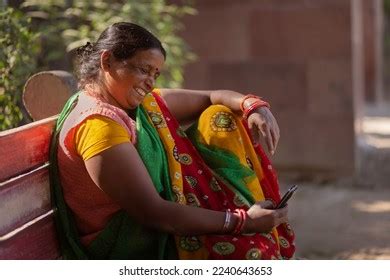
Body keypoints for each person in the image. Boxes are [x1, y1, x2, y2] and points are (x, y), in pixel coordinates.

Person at [50, 22, 295, 260]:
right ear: (107, 61)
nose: (151, 83)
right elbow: (153, 213)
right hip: (129, 245)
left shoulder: (135, 106)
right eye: (144, 70)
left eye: (155, 74)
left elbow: (213, 97)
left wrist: (253, 106)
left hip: (159, 225)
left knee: (220, 116)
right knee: (253, 253)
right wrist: (243, 221)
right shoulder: (99, 126)